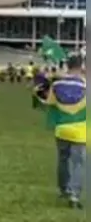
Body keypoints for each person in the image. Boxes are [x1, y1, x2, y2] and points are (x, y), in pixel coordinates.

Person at [37, 55, 85, 209]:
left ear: (67, 66)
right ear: (81, 65)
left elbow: (49, 104)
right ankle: (75, 195)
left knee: (63, 160)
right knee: (79, 163)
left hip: (62, 129)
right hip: (80, 130)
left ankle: (64, 189)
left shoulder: (57, 84)